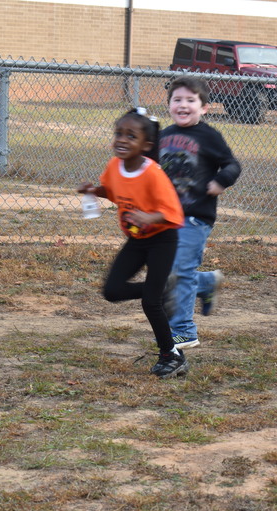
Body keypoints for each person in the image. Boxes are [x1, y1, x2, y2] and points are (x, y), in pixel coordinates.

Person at [77, 108, 187, 378]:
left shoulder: (153, 173)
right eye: (118, 134)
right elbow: (114, 192)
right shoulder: (115, 166)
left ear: (146, 145)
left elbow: (173, 212)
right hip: (137, 239)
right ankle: (164, 289)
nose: (122, 140)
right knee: (112, 291)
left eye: (131, 136)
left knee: (150, 302)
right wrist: (94, 191)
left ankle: (171, 355)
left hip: (162, 239)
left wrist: (150, 215)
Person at [159, 77, 241, 349]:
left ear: (204, 107)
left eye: (190, 100)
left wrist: (221, 181)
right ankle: (206, 283)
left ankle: (183, 330)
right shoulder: (163, 137)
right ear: (169, 105)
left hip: (196, 216)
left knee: (179, 270)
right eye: (177, 100)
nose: (183, 105)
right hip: (166, 217)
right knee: (170, 271)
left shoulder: (209, 136)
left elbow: (231, 164)